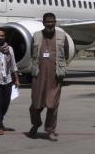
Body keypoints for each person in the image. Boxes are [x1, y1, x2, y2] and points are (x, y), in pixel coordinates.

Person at [28, 13, 71, 141]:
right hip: (38, 77)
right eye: (48, 22)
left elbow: (66, 54)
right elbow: (32, 53)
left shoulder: (62, 36)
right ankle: (36, 124)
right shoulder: (36, 36)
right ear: (43, 22)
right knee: (36, 105)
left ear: (55, 22)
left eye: (52, 22)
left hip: (55, 77)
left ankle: (50, 130)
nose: (50, 24)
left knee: (52, 105)